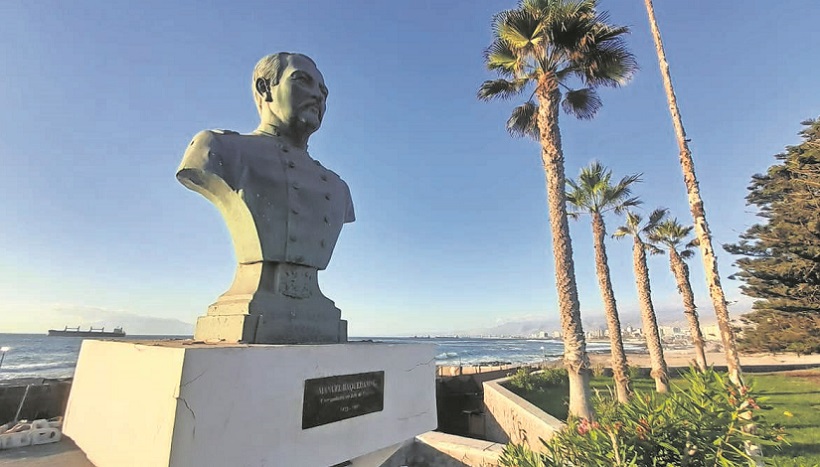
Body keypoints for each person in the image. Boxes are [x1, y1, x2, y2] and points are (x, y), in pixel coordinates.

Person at [177, 53, 354, 344]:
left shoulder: (337, 187)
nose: (317, 96)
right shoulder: (219, 149)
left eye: (324, 92)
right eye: (302, 80)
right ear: (264, 88)